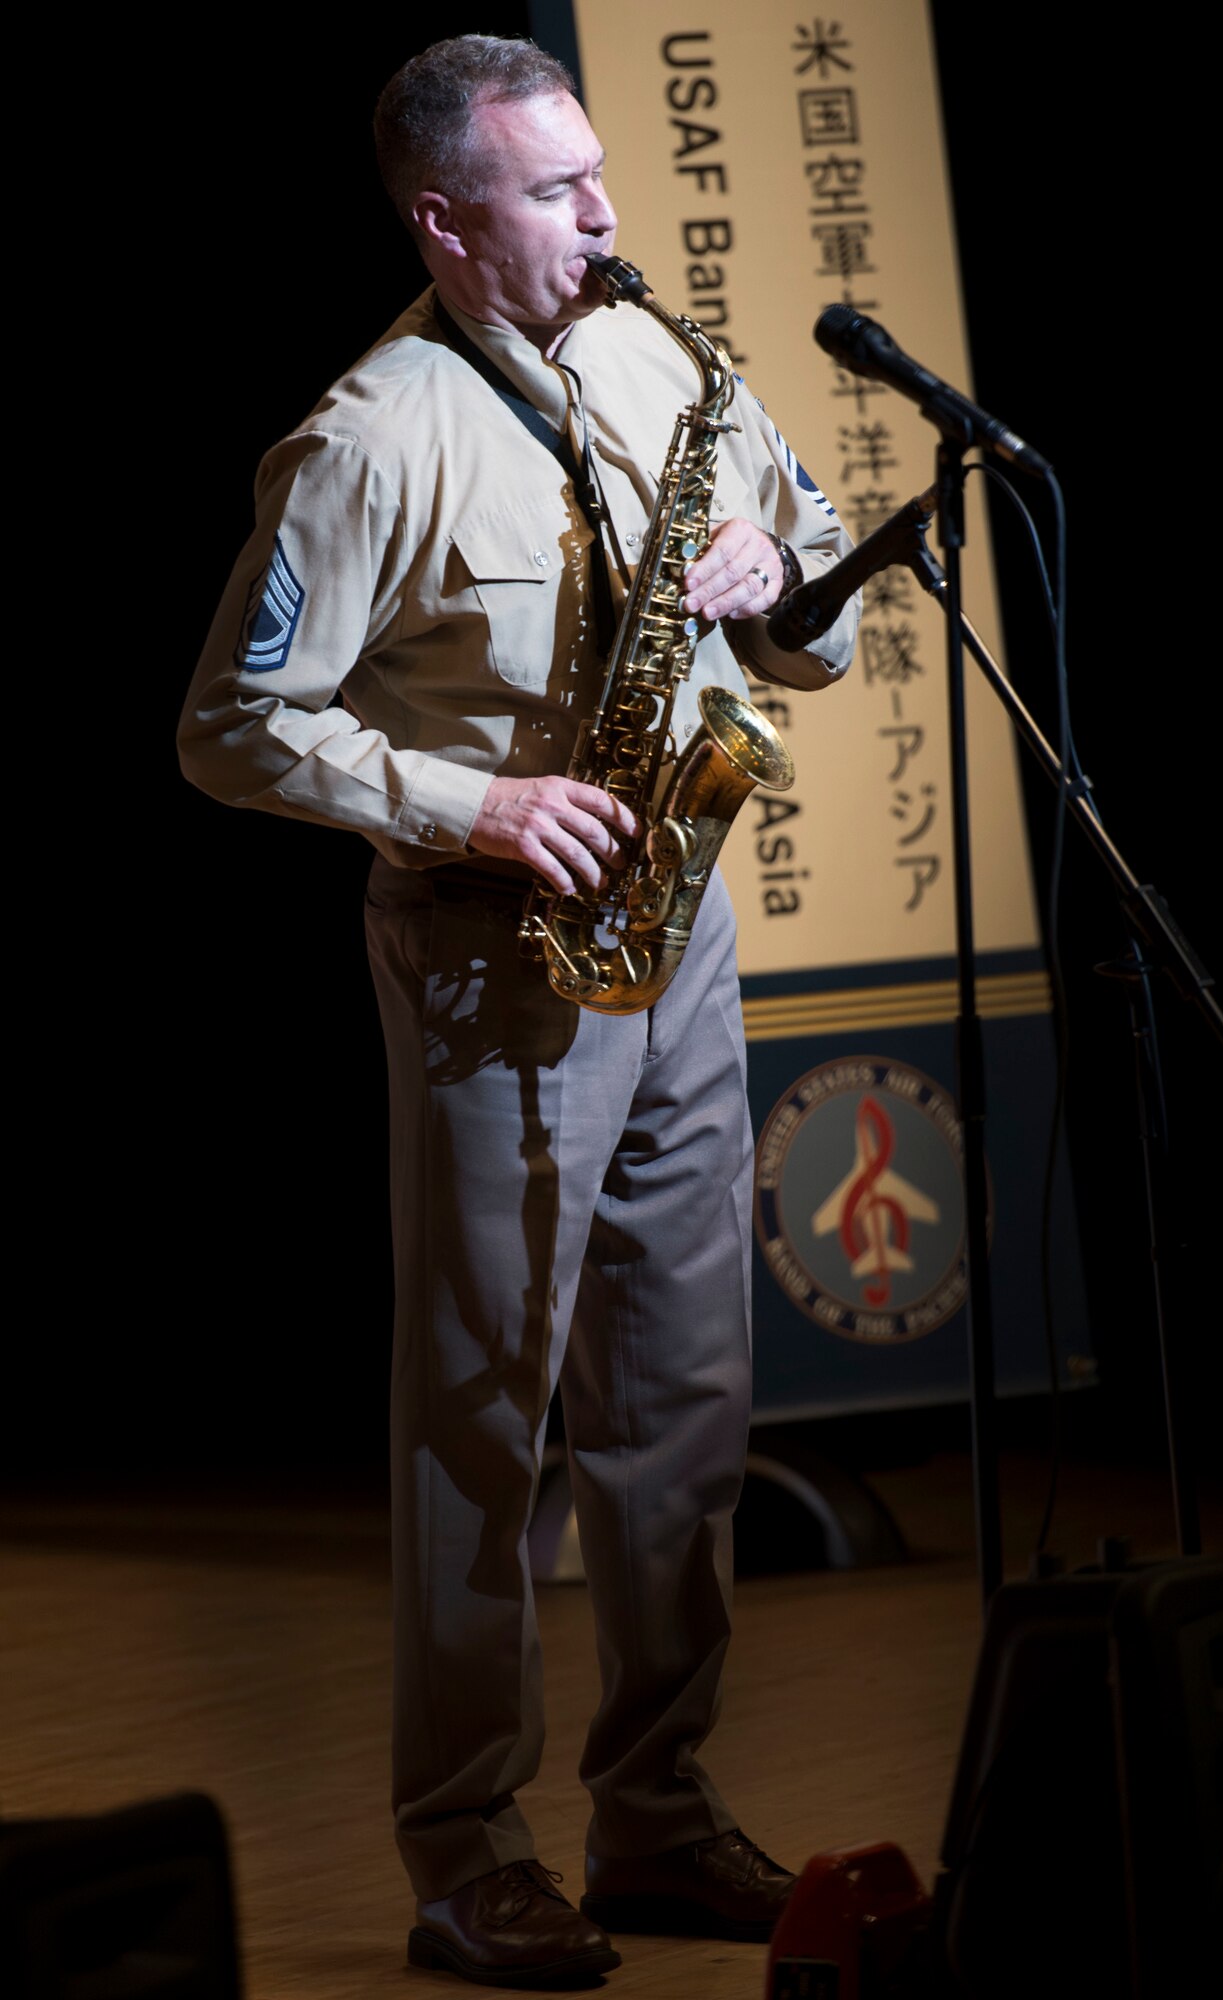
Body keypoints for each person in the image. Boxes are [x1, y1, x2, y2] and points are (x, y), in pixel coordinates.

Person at [178, 32, 859, 1990]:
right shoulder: (370, 434)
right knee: (481, 1419)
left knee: (686, 1406)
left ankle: (652, 1812)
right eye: (557, 192)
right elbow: (226, 729)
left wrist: (774, 580)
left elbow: (808, 597)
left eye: (599, 175)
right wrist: (468, 797)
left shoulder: (668, 356)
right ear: (443, 221)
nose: (606, 214)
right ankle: (464, 1845)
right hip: (491, 947)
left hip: (681, 920)